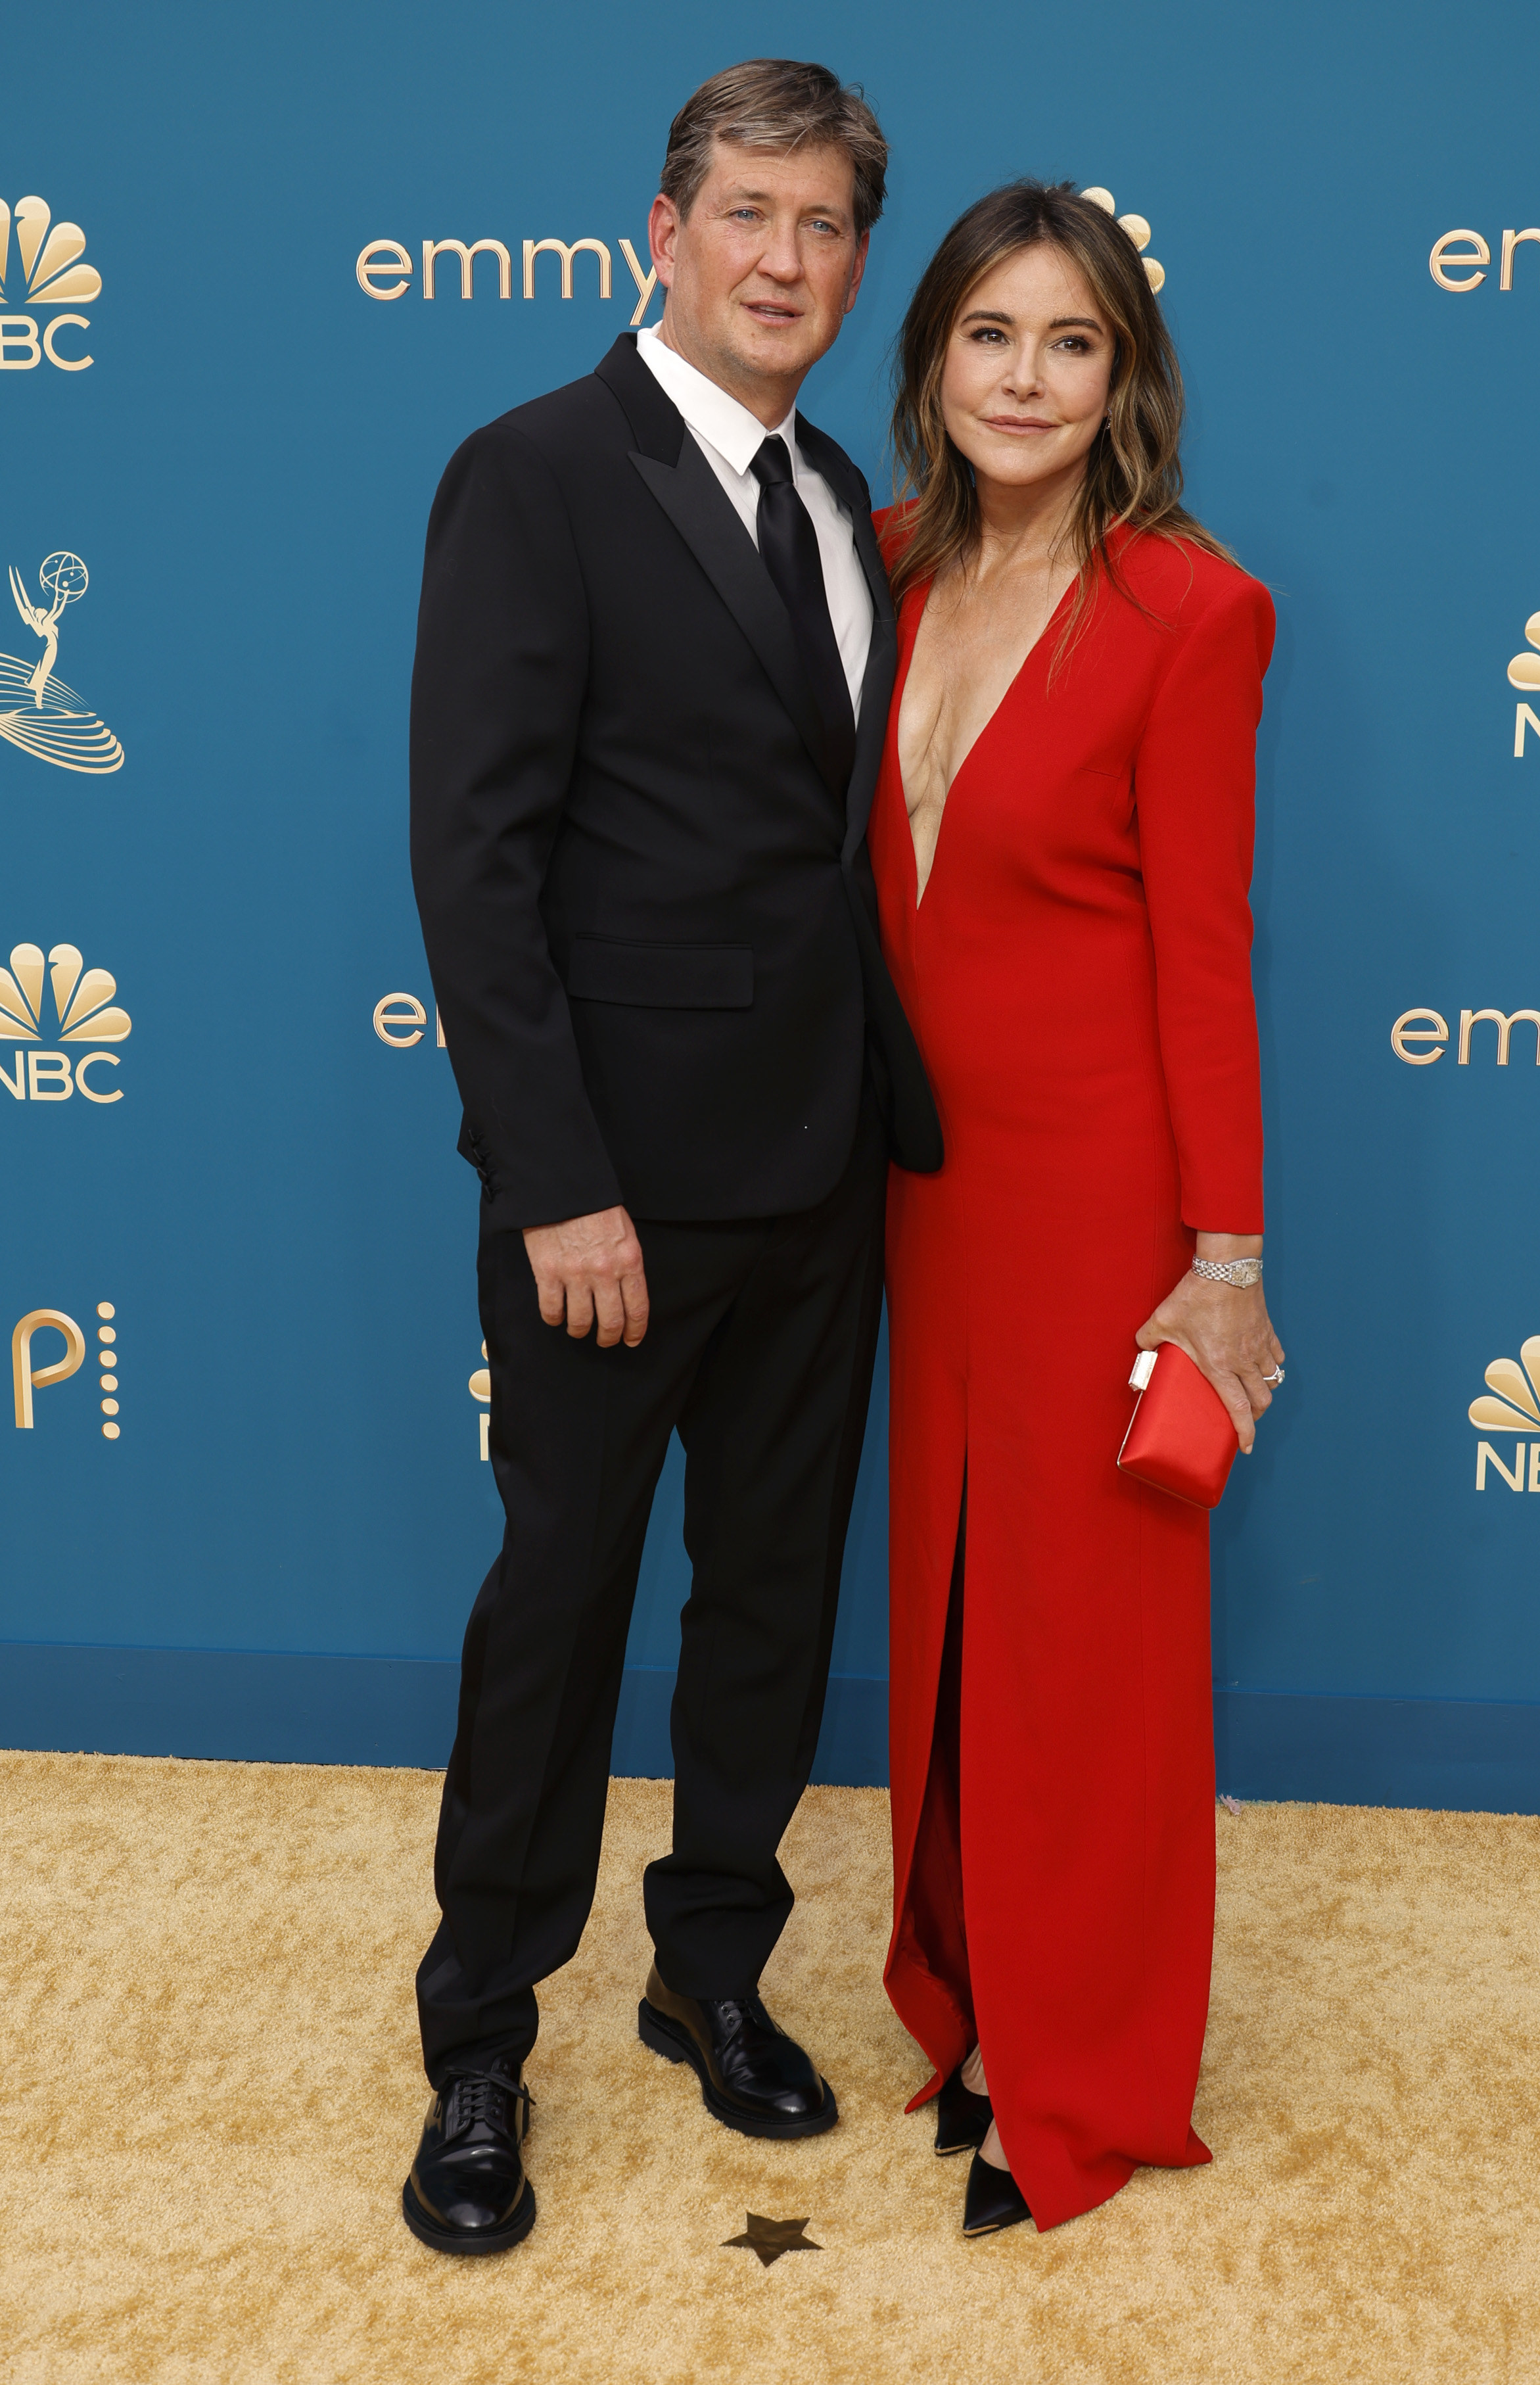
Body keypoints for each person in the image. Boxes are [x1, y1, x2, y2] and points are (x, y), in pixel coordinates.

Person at [404, 59, 939, 2255]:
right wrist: (555, 1181)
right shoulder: (533, 473)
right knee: (557, 1607)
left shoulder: (843, 493)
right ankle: (476, 2041)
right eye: (746, 214)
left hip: (823, 1179)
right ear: (661, 224)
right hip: (611, 1195)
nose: (785, 260)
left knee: (765, 1605)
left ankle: (708, 1970)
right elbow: (475, 857)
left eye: (823, 225)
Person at [867, 181, 1284, 2238]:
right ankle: (968, 2008)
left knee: (1089, 1647)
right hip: (915, 1197)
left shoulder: (1192, 610)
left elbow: (1203, 949)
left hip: (1100, 1194)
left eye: (1069, 343)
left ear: (1123, 378)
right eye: (987, 337)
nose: (1022, 381)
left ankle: (1086, 2078)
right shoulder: (876, 568)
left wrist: (1220, 1264)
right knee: (947, 1614)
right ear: (929, 359)